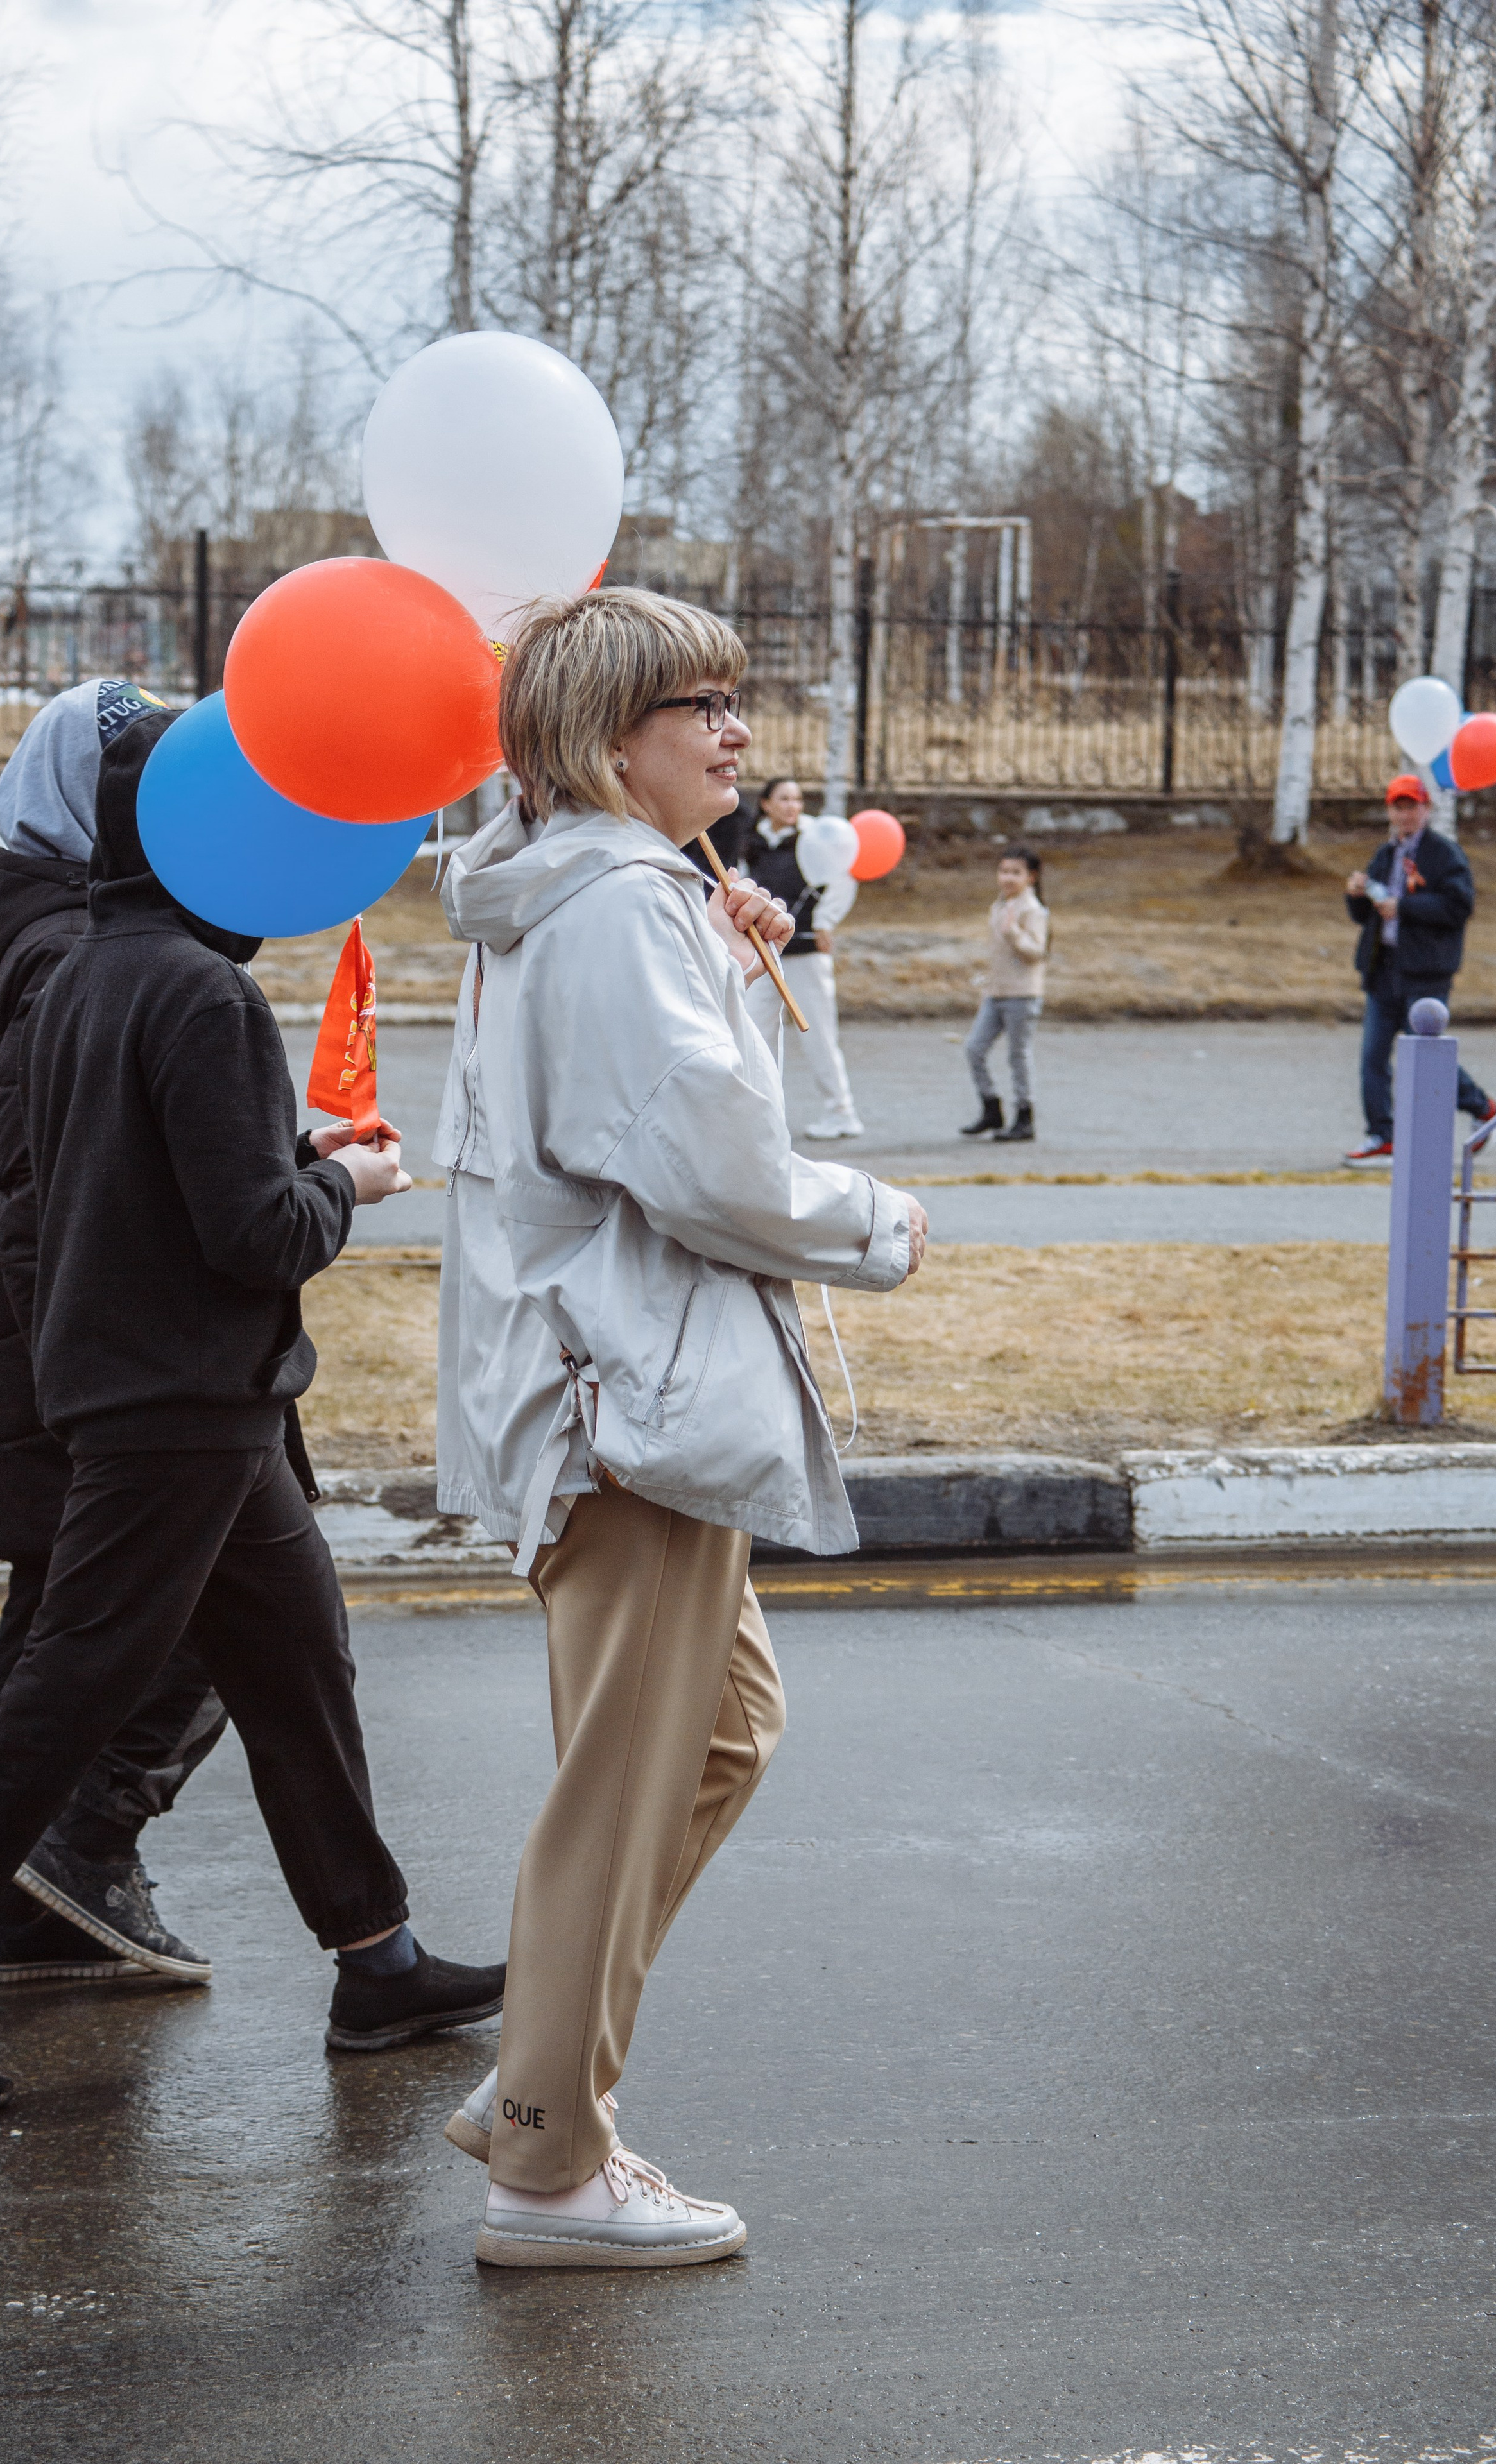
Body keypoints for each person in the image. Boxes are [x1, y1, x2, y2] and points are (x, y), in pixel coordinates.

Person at [0, 708, 505, 2121]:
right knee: (60, 1705)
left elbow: (134, 1172)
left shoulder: (90, 964)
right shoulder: (206, 994)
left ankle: (377, 1959)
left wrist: (290, 1148)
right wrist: (345, 1190)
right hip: (179, 1407)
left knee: (298, 1673)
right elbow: (250, 1238)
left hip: (177, 1396)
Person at [431, 588, 927, 2269]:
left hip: (610, 1389)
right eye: (692, 703)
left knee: (708, 1741)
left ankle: (535, 2090)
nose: (732, 727)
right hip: (625, 1399)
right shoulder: (617, 907)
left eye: (734, 696)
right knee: (621, 1788)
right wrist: (877, 1222)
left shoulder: (590, 900)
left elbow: (608, 1126)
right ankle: (550, 2170)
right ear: (601, 738)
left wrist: (725, 971)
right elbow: (706, 1171)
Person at [0, 680, 232, 1990]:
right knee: (145, 1637)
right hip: (111, 1377)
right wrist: (97, 1390)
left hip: (96, 1366)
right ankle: (47, 1872)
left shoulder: (70, 937)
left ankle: (25, 1904)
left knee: (72, 1643)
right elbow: (42, 1200)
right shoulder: (65, 958)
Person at [1343, 775, 1496, 1167]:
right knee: (1373, 1057)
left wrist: (1405, 907)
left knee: (1426, 1053)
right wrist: (1357, 896)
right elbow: (1367, 916)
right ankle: (1383, 1136)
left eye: (1411, 806)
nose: (1405, 814)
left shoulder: (1444, 855)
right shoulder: (1385, 855)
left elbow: (1458, 907)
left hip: (1427, 971)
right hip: (1385, 969)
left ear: (1426, 809)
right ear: (1389, 812)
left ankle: (1483, 1107)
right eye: (1398, 807)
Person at [742, 776, 864, 1140]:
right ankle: (759, 1114)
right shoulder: (754, 841)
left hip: (806, 952)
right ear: (766, 804)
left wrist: (825, 921)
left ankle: (841, 1111)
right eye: (784, 799)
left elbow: (844, 878)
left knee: (818, 1033)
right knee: (754, 1029)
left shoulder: (816, 836)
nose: (792, 806)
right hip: (764, 953)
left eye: (797, 799)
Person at [961, 844, 1049, 1142]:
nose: (1008, 877)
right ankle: (991, 1109)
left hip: (1022, 995)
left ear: (1031, 877)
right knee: (974, 1048)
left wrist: (1014, 933)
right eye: (1003, 871)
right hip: (995, 993)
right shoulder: (999, 905)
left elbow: (1037, 952)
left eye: (1016, 872)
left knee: (1018, 1055)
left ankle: (1025, 1117)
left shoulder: (1032, 910)